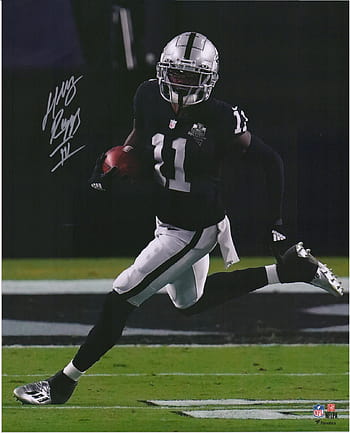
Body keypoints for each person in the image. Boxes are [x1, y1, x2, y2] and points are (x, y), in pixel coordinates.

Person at [14, 32, 343, 405]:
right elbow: (136, 140)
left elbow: (271, 161)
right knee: (189, 304)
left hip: (192, 229)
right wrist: (111, 164)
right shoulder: (147, 95)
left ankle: (61, 385)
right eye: (177, 73)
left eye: (191, 76)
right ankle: (290, 272)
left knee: (121, 296)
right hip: (168, 219)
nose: (181, 83)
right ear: (163, 71)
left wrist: (278, 227)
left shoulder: (221, 117)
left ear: (209, 79)